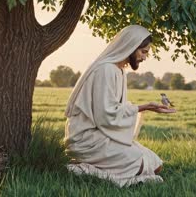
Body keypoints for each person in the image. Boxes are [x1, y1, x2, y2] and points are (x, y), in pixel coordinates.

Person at [64, 25, 176, 187]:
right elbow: (106, 115)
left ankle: (97, 169)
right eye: (143, 52)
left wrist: (145, 107)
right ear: (129, 47)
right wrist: (142, 107)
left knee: (156, 165)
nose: (144, 57)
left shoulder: (119, 71)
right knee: (142, 165)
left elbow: (113, 109)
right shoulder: (105, 70)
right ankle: (82, 170)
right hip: (87, 138)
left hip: (104, 134)